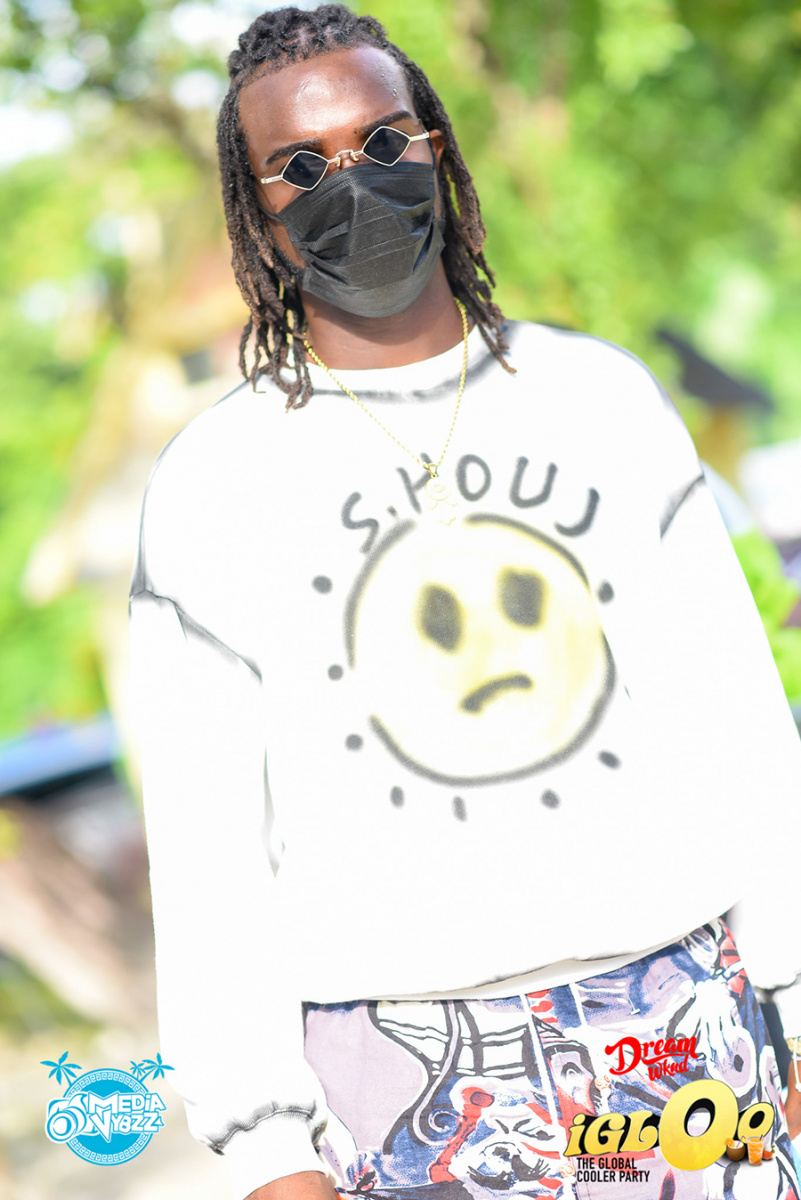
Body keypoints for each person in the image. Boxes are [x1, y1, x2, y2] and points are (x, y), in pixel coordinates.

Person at [129, 7, 801, 1200]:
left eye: (384, 142)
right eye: (302, 167)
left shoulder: (598, 401)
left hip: (685, 1029)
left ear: (437, 146)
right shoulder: (215, 486)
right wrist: (269, 1151)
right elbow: (207, 849)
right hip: (403, 1078)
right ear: (257, 214)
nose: (354, 182)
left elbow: (738, 729)